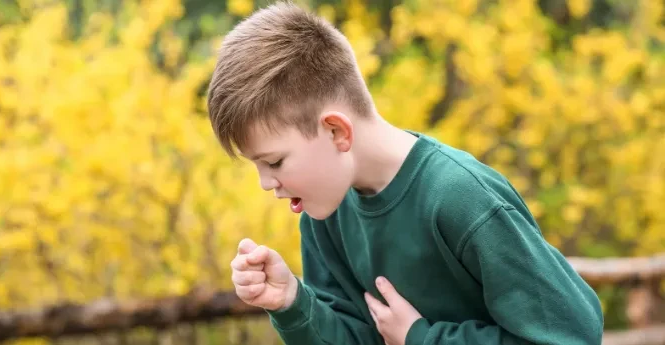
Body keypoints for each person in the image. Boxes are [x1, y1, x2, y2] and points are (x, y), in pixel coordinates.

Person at [206, 2, 604, 345]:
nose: (265, 182)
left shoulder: (462, 198)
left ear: (336, 131)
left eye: (274, 162)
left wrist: (422, 338)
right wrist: (293, 301)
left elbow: (573, 333)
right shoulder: (323, 214)